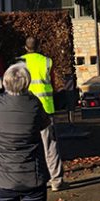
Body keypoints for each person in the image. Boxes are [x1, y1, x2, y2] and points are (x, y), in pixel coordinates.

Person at [0, 63, 51, 201]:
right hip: (32, 175)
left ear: (5, 82)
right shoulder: (34, 105)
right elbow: (45, 123)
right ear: (27, 82)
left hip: (2, 175)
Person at [19, 37, 64, 191]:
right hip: (46, 108)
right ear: (38, 46)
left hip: (26, 110)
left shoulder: (20, 63)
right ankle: (56, 180)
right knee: (50, 146)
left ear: (25, 47)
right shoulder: (47, 61)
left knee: (29, 147)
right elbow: (52, 83)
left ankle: (34, 180)